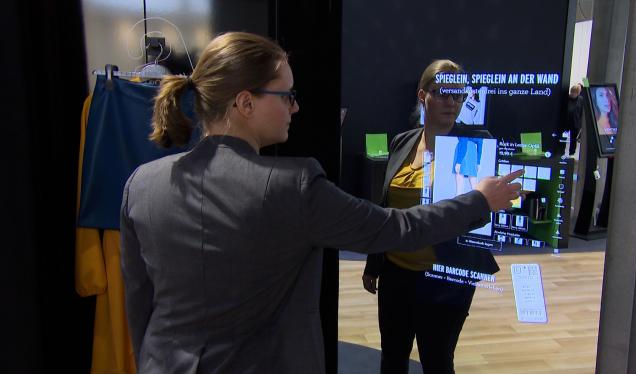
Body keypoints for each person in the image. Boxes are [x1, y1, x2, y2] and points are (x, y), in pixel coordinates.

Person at [120, 33, 522, 373]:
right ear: (245, 104)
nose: (295, 106)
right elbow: (394, 228)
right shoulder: (292, 185)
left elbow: (139, 304)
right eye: (287, 95)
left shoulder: (141, 184)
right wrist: (479, 201)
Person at [362, 59, 507, 374]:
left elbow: (480, 214)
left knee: (437, 361)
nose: (451, 103)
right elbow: (386, 208)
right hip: (396, 274)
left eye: (458, 96)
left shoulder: (475, 143)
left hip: (443, 277)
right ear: (422, 95)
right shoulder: (403, 141)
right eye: (442, 94)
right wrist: (375, 263)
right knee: (392, 357)